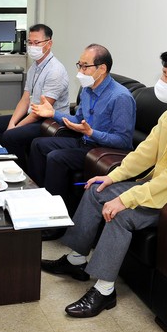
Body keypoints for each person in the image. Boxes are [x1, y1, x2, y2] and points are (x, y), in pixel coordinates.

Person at [41, 47, 167, 318]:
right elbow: (146, 151)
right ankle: (76, 260)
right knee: (98, 189)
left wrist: (125, 199)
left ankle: (105, 291)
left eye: (166, 75)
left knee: (122, 213)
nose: (161, 81)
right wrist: (112, 176)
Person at [27, 44, 136, 211]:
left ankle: (56, 216)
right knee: (38, 144)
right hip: (84, 142)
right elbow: (78, 119)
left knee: (56, 157)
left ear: (102, 69)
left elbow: (123, 141)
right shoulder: (87, 89)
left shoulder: (120, 97)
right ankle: (39, 197)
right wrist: (52, 113)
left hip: (102, 150)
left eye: (85, 66)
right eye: (79, 65)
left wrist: (92, 132)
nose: (81, 71)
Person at [0, 24, 69, 171]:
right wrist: (12, 123)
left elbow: (40, 111)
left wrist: (15, 128)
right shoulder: (35, 66)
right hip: (33, 114)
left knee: (11, 136)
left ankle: (22, 174)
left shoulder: (55, 71)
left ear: (49, 43)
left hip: (50, 122)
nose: (32, 46)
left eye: (37, 43)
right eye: (30, 42)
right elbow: (25, 99)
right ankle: (6, 165)